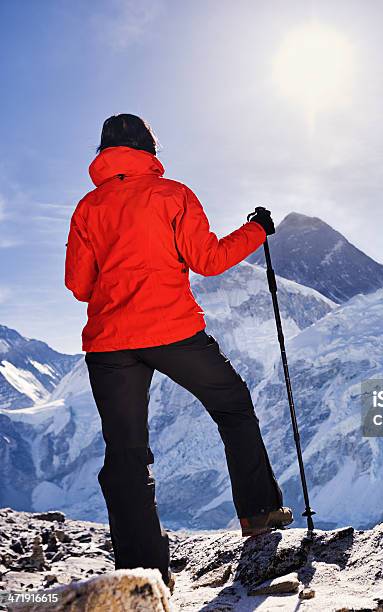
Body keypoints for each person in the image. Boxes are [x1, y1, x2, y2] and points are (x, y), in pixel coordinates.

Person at [64, 114, 292, 591]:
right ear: (149, 148)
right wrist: (256, 231)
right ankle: (258, 513)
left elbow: (79, 287)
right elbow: (207, 261)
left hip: (109, 343)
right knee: (231, 404)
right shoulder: (173, 194)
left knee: (125, 455)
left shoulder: (87, 208)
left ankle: (142, 577)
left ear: (102, 153)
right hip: (171, 330)